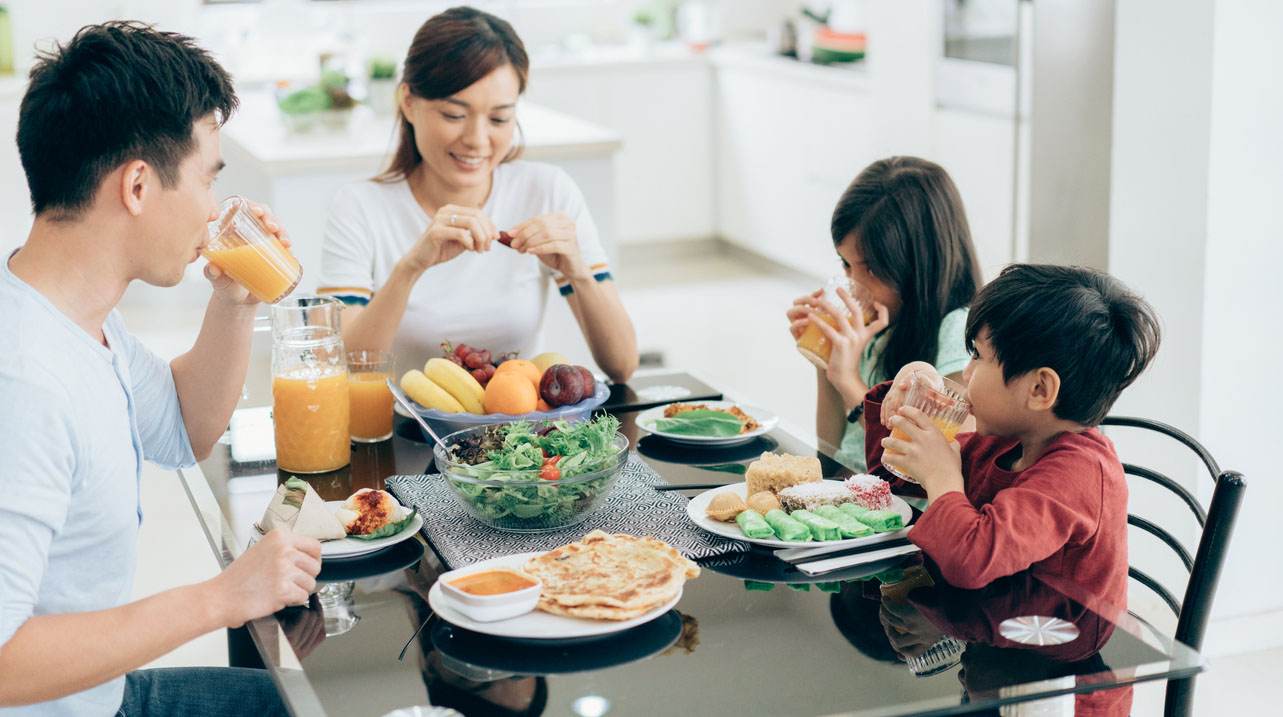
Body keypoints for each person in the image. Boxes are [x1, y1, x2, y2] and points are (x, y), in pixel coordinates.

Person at [0, 22, 320, 715]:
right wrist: (220, 598)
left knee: (325, 700)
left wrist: (233, 297)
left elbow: (184, 428)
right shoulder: (23, 383)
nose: (214, 211)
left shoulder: (78, 317)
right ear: (138, 186)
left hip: (97, 695)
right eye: (208, 179)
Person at [319, 6, 638, 382]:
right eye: (454, 115)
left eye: (500, 118)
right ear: (408, 102)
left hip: (520, 431)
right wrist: (411, 268)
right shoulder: (360, 207)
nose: (476, 140)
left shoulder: (546, 191)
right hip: (401, 432)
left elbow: (622, 364)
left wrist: (578, 272)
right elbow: (340, 367)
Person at [865, 264, 1161, 608]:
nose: (966, 371)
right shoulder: (1006, 440)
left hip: (1053, 653)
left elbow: (970, 561)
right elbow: (891, 475)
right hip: (991, 630)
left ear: (1039, 388)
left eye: (979, 356)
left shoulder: (1078, 474)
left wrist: (941, 476)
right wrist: (910, 387)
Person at [787, 157, 982, 472]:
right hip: (850, 485)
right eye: (845, 264)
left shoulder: (958, 333)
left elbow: (936, 458)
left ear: (919, 264)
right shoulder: (881, 324)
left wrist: (848, 380)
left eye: (872, 268)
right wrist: (826, 362)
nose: (854, 283)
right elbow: (831, 450)